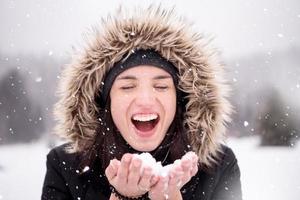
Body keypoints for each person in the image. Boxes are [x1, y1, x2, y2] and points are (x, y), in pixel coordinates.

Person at [42, 6, 242, 200]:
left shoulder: (217, 166)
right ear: (105, 102)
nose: (145, 100)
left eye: (161, 87)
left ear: (180, 100)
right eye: (127, 87)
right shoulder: (65, 166)